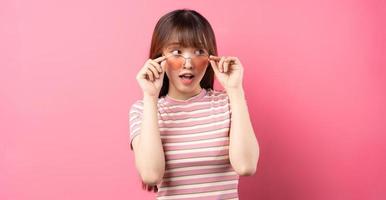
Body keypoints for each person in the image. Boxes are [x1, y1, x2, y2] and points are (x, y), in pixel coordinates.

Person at [129, 9, 259, 199]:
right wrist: (150, 97)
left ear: (210, 58)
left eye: (199, 51)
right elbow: (150, 174)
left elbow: (246, 166)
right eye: (176, 52)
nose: (188, 63)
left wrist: (235, 90)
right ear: (159, 58)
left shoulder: (228, 103)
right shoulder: (142, 110)